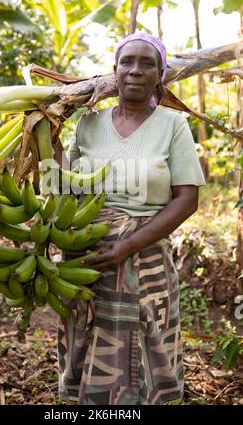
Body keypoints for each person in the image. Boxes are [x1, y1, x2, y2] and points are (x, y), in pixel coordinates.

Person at [53, 32, 206, 405]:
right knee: (86, 340)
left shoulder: (172, 125)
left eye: (147, 63)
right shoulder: (88, 124)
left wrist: (127, 246)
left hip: (145, 252)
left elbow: (187, 200)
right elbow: (66, 187)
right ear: (115, 72)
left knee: (148, 343)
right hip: (86, 255)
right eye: (127, 62)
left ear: (160, 75)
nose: (135, 70)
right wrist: (49, 139)